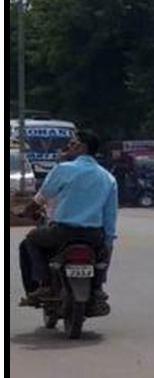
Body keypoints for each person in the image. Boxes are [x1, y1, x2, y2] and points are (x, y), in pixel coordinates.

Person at [19, 128, 117, 309]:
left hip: (63, 232)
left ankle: (44, 285)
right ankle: (97, 288)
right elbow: (110, 217)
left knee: (31, 240)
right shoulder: (108, 177)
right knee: (102, 253)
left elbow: (41, 198)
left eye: (72, 144)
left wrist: (25, 211)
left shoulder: (64, 169)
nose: (68, 147)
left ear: (82, 147)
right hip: (94, 235)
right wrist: (108, 241)